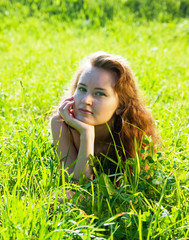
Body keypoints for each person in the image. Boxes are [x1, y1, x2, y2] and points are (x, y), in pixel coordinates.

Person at [51, 51, 158, 182]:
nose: (86, 100)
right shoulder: (61, 123)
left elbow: (137, 186)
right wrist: (86, 135)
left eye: (99, 94)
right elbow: (74, 185)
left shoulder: (133, 131)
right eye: (82, 89)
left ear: (120, 105)